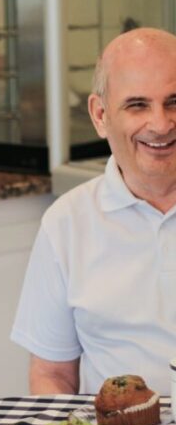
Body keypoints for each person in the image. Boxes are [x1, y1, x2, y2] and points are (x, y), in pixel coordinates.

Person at [11, 27, 176, 397]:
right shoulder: (66, 223)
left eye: (174, 101)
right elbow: (52, 374)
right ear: (100, 115)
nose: (162, 123)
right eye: (138, 105)